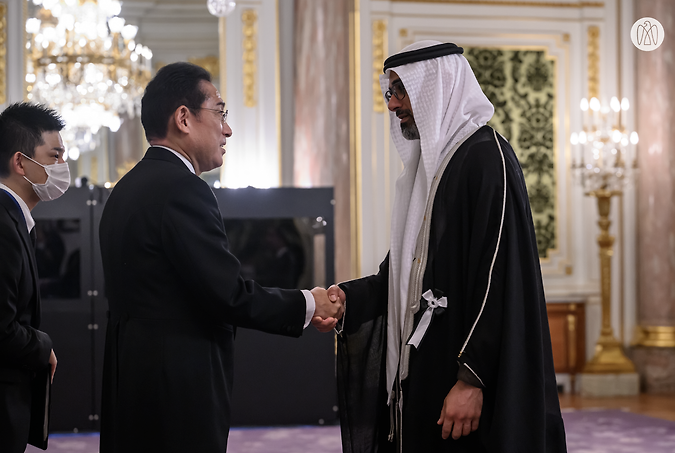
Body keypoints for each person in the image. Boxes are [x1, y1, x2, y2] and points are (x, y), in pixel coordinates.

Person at [320, 41, 567, 452]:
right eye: (390, 92)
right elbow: (406, 271)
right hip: (427, 370)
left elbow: (498, 276)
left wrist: (471, 379)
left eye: (402, 91)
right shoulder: (430, 167)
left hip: (465, 377)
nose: (393, 104)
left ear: (436, 87)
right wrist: (348, 298)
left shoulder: (487, 157)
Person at [98, 62, 343, 453]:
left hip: (132, 381)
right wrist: (309, 302)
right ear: (184, 118)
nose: (227, 129)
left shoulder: (126, 189)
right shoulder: (183, 189)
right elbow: (227, 293)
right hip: (177, 391)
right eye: (220, 113)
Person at [0, 102, 66, 453]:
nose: (62, 167)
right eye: (54, 156)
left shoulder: (16, 221)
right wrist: (42, 346)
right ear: (21, 162)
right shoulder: (3, 224)